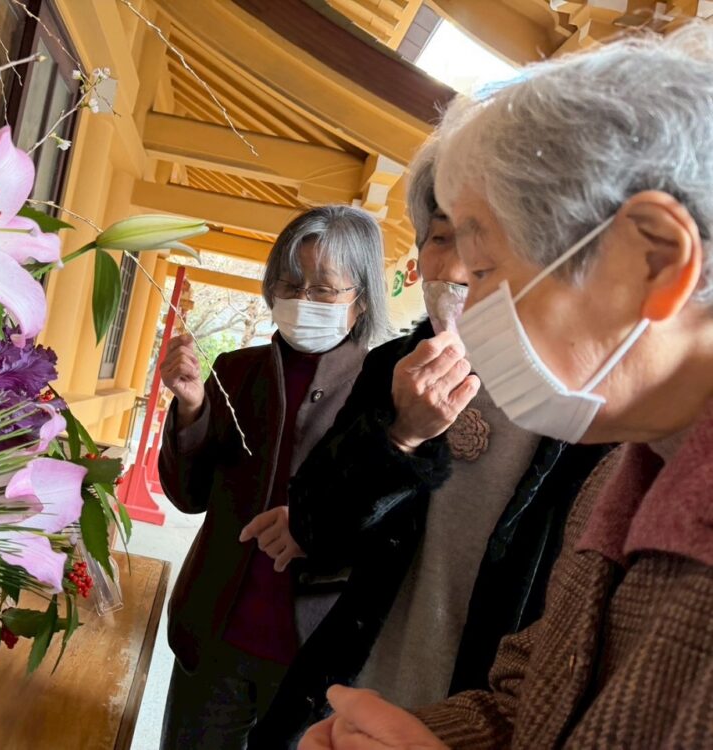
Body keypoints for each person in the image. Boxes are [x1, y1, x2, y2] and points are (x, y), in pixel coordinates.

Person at [300, 23, 713, 749]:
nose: (461, 288)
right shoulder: (625, 470)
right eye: (444, 245)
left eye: (487, 268)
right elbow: (535, 698)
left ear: (652, 259)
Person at [248, 140, 610, 747]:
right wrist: (401, 435)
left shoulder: (593, 415)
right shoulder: (393, 365)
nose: (459, 266)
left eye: (491, 236)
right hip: (345, 696)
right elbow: (316, 526)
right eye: (441, 237)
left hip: (475, 724)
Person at [157, 205, 388, 749]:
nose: (303, 300)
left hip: (314, 654)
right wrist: (191, 410)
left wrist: (316, 526)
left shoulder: (386, 390)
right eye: (290, 283)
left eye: (325, 289)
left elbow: (391, 522)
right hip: (214, 634)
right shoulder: (235, 371)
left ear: (361, 301)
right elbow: (188, 496)